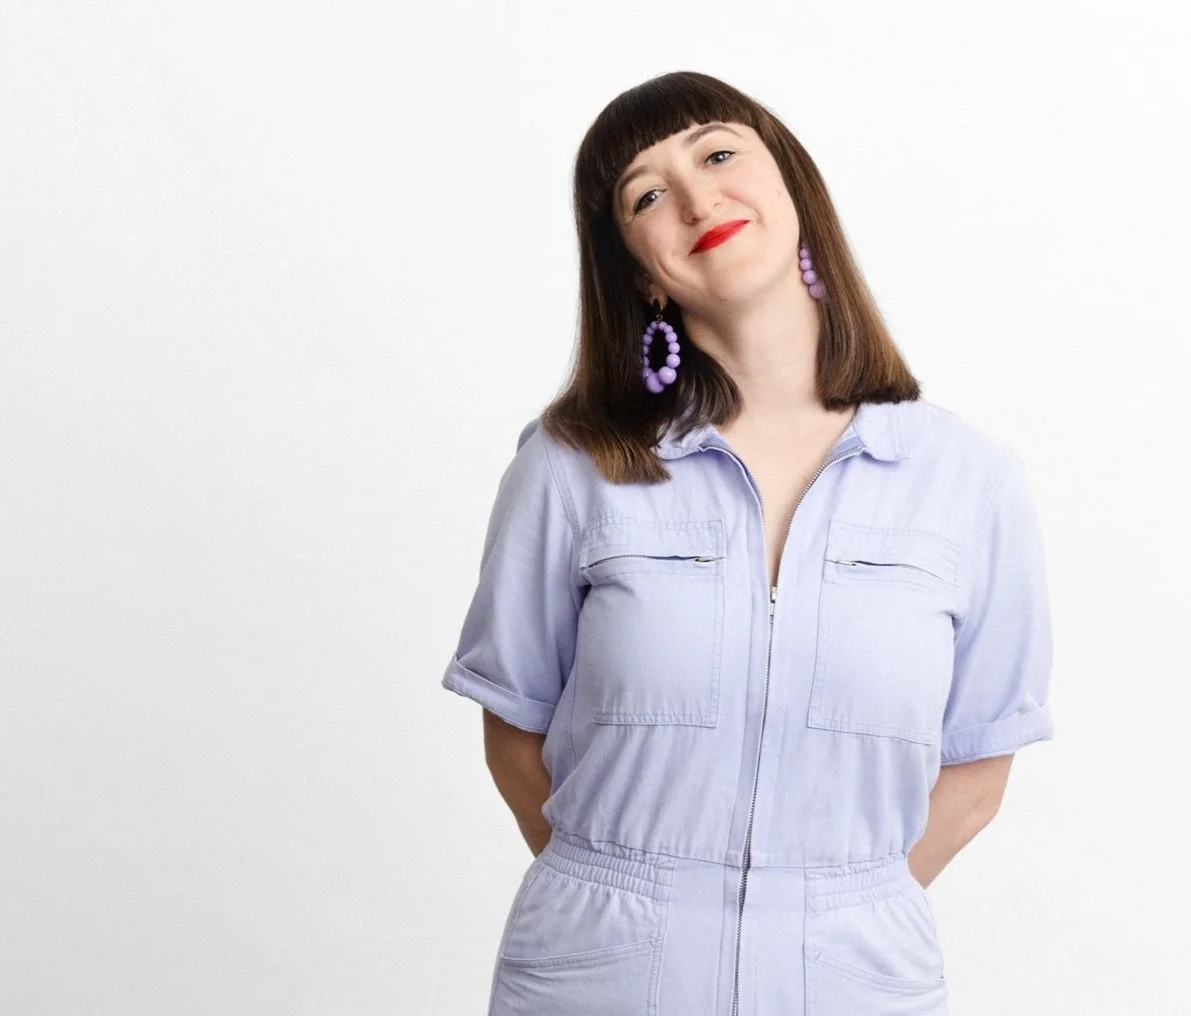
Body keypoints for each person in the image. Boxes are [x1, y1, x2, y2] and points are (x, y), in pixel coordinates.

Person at [441, 70, 1054, 1016]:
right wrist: (640, 908)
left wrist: (817, 908)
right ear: (641, 271)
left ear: (794, 188)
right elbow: (515, 736)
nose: (696, 198)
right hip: (605, 973)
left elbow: (975, 768)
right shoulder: (572, 466)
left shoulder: (968, 480)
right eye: (647, 193)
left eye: (719, 153)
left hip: (857, 977)